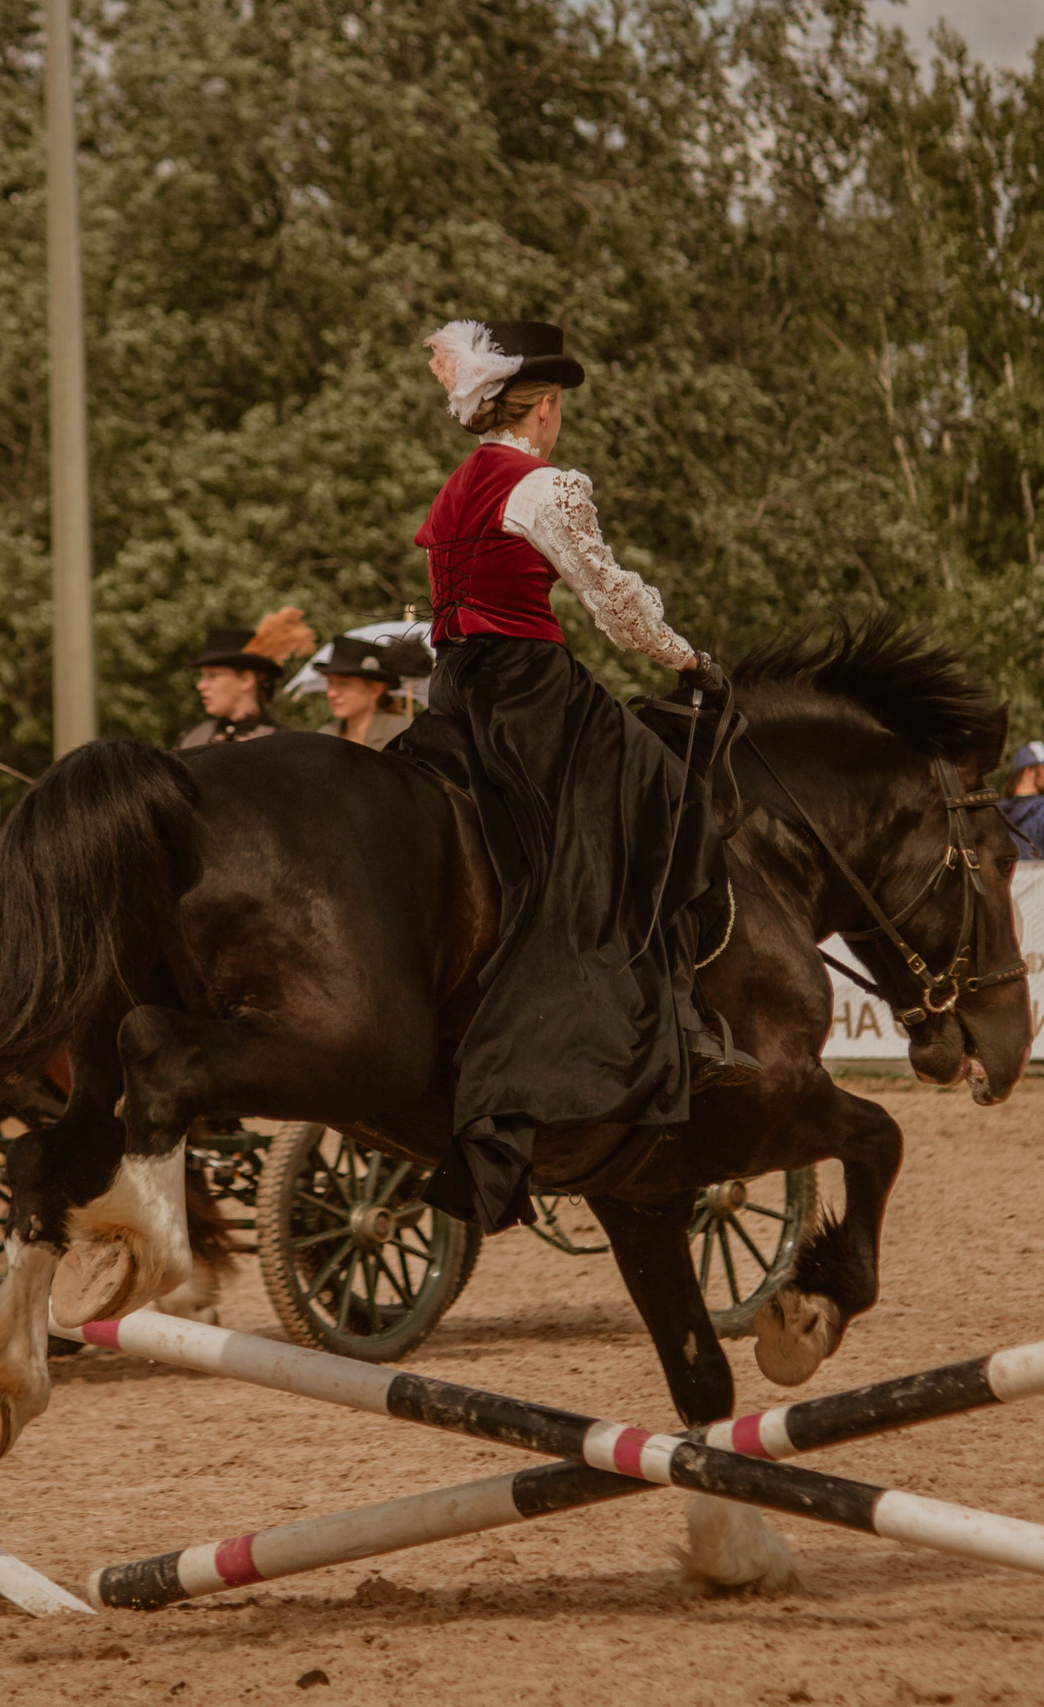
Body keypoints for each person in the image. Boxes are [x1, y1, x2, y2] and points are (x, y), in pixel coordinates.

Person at [394, 317, 753, 1236]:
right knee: (668, 798)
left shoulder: (456, 489)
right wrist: (689, 659)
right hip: (527, 690)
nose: (561, 423)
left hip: (455, 695)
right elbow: (613, 602)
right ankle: (681, 1014)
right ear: (544, 408)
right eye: (561, 408)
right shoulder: (545, 487)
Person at [176, 609, 316, 749]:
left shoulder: (281, 744)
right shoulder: (190, 738)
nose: (201, 685)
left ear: (246, 680)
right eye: (203, 676)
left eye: (213, 676)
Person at [314, 634, 421, 749]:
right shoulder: (323, 737)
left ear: (375, 690)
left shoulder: (403, 735)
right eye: (330, 682)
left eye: (344, 683)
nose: (331, 693)